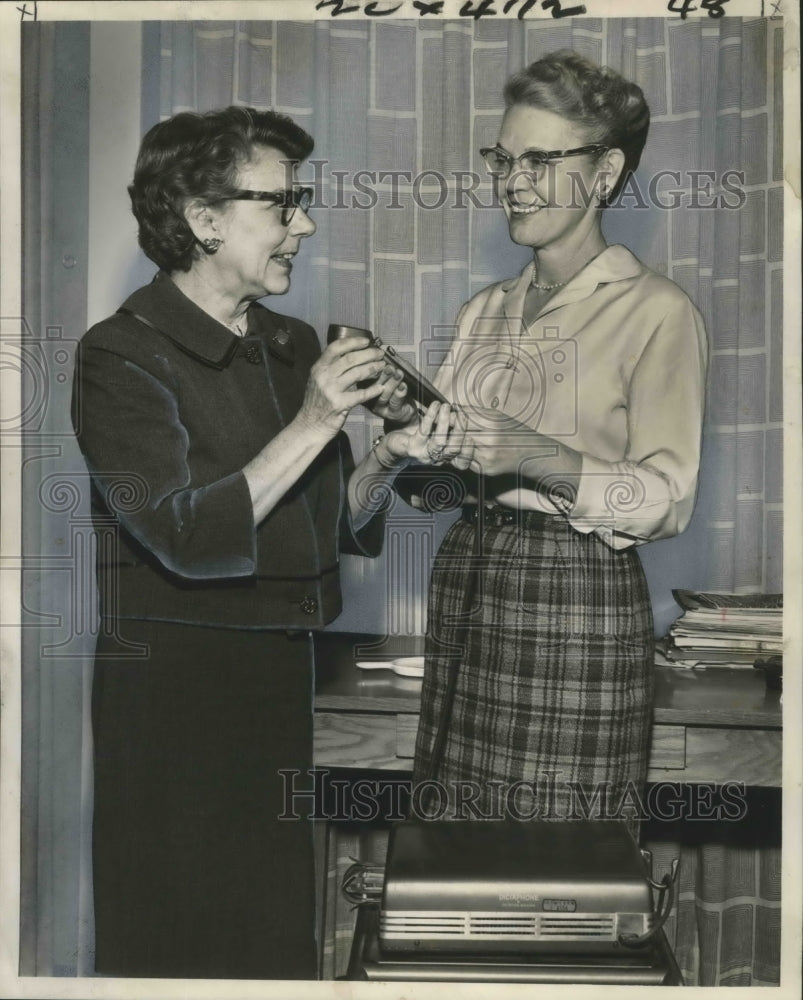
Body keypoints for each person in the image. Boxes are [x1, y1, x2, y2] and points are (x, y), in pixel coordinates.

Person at [71, 106, 457, 980]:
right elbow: (183, 536)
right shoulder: (119, 356)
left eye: (302, 202)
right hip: (173, 693)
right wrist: (319, 419)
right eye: (283, 205)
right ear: (203, 220)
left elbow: (331, 525)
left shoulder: (287, 346)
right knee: (174, 937)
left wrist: (389, 454)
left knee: (271, 937)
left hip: (279, 677)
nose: (305, 226)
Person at [394, 51, 708, 827]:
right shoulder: (484, 310)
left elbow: (666, 500)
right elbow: (451, 486)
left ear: (603, 174)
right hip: (467, 578)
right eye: (504, 158)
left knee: (557, 859)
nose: (512, 179)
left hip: (573, 600)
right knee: (453, 848)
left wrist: (541, 456)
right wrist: (412, 443)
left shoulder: (657, 311)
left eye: (539, 158)